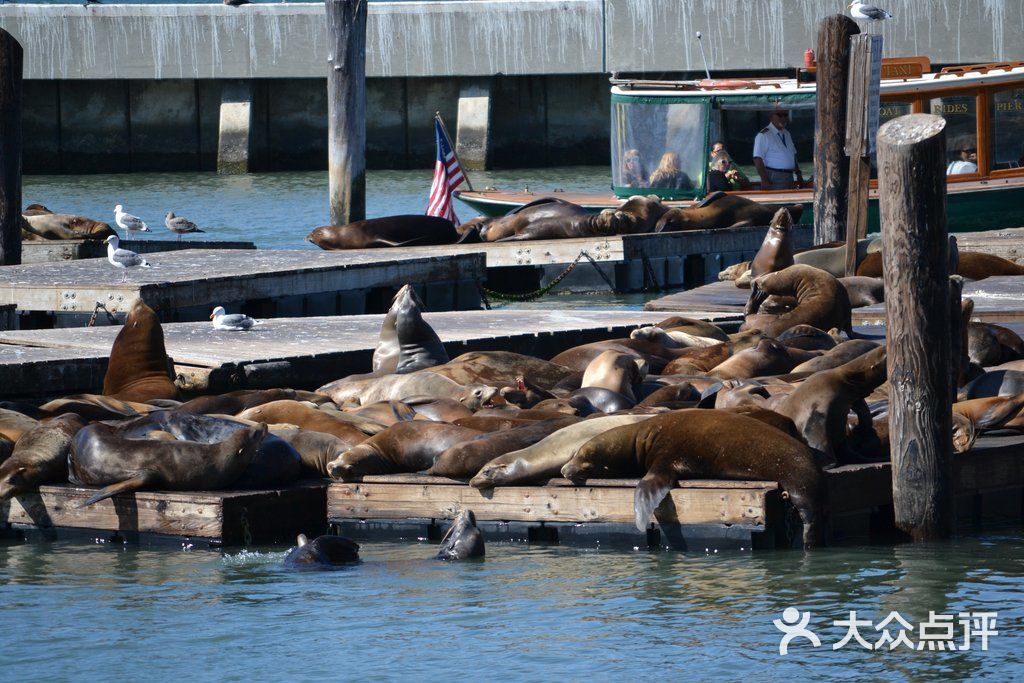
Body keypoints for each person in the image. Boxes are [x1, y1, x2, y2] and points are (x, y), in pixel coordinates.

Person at [753, 109, 803, 190]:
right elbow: (757, 158)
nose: (783, 118)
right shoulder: (763, 135)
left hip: (790, 177)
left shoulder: (787, 133)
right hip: (773, 177)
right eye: (779, 115)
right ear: (771, 117)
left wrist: (798, 174)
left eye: (785, 115)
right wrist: (764, 180)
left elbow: (793, 155)